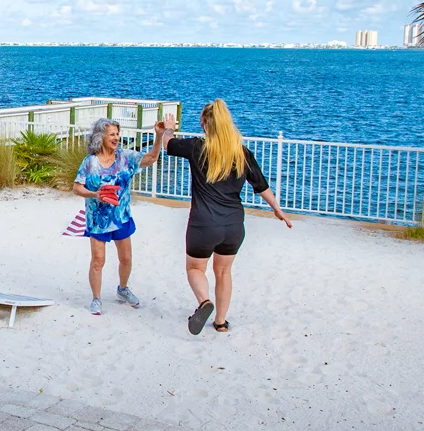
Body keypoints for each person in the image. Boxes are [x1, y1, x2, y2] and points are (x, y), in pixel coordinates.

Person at [163, 100, 291, 335]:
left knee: (195, 269)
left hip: (204, 224)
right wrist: (276, 208)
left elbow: (168, 144)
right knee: (223, 272)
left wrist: (168, 127)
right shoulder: (240, 152)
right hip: (233, 225)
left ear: (204, 124)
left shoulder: (196, 147)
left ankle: (204, 302)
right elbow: (260, 184)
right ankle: (220, 322)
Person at [72, 117, 171, 316]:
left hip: (121, 217)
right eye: (112, 134)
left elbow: (151, 158)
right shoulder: (90, 162)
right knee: (98, 260)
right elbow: (76, 187)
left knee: (126, 258)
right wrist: (95, 195)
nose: (116, 138)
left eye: (118, 134)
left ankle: (123, 289)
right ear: (101, 137)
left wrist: (159, 136)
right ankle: (96, 299)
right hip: (98, 220)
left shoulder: (125, 157)